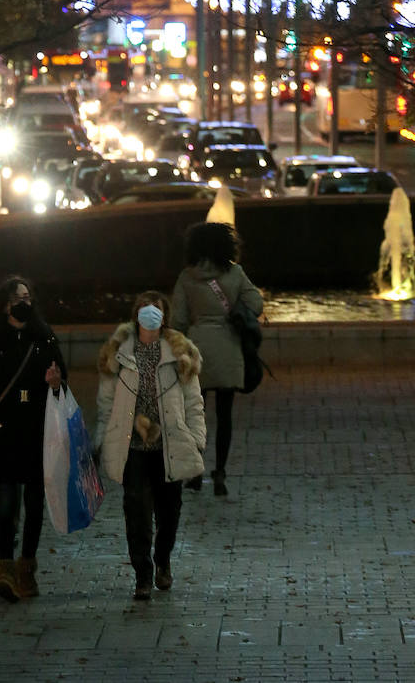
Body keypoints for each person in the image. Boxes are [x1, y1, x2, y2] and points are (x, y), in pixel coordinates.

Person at [94, 290, 205, 600]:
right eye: (144, 308)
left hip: (169, 446)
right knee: (137, 511)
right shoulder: (118, 354)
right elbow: (105, 403)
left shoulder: (180, 354)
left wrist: (197, 442)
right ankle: (142, 574)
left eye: (155, 309)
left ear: (164, 316)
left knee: (169, 512)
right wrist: (101, 440)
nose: (150, 314)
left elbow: (194, 403)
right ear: (136, 315)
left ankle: (163, 560)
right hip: (133, 450)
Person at [0, 276, 66, 602]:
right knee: (6, 501)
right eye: (16, 298)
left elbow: (61, 380)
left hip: (37, 427)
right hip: (5, 429)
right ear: (4, 305)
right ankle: (6, 567)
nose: (23, 302)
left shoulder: (44, 336)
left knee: (35, 502)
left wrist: (55, 383)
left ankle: (27, 568)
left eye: (27, 296)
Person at [170, 205, 263, 497]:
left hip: (196, 351)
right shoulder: (235, 273)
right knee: (225, 415)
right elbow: (256, 304)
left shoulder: (187, 277)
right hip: (228, 348)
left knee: (196, 414)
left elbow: (178, 320)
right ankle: (220, 473)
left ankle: (195, 472)